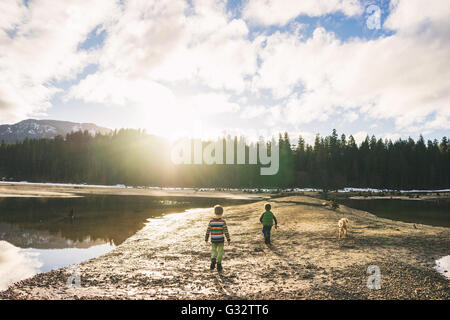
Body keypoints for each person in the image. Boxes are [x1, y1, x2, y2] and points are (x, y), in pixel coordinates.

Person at [205, 205, 231, 272]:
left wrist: (206, 238)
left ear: (214, 212)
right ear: (222, 213)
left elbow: (208, 230)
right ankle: (219, 264)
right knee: (220, 251)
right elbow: (226, 231)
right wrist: (228, 239)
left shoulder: (211, 221)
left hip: (213, 239)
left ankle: (213, 259)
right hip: (220, 239)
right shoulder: (223, 221)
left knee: (213, 250)